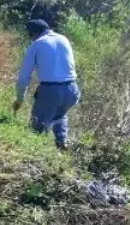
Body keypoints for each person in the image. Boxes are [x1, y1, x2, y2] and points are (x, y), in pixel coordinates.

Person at [13, 19, 80, 150]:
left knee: (37, 127)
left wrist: (19, 99)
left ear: (33, 34)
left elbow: (24, 77)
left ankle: (36, 155)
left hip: (51, 90)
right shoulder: (63, 39)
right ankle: (62, 142)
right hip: (72, 89)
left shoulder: (37, 44)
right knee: (59, 115)